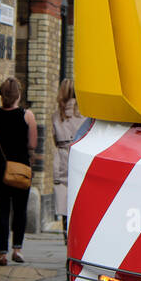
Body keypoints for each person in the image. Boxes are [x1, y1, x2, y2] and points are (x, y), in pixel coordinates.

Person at [0, 76, 38, 266]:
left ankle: (2, 254)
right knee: (20, 209)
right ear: (18, 95)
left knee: (2, 210)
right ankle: (17, 249)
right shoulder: (27, 116)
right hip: (20, 169)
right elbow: (32, 144)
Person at [51, 78, 82, 244]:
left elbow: (55, 139)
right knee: (79, 195)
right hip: (78, 156)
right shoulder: (84, 114)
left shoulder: (57, 115)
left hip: (62, 156)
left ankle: (66, 232)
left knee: (63, 198)